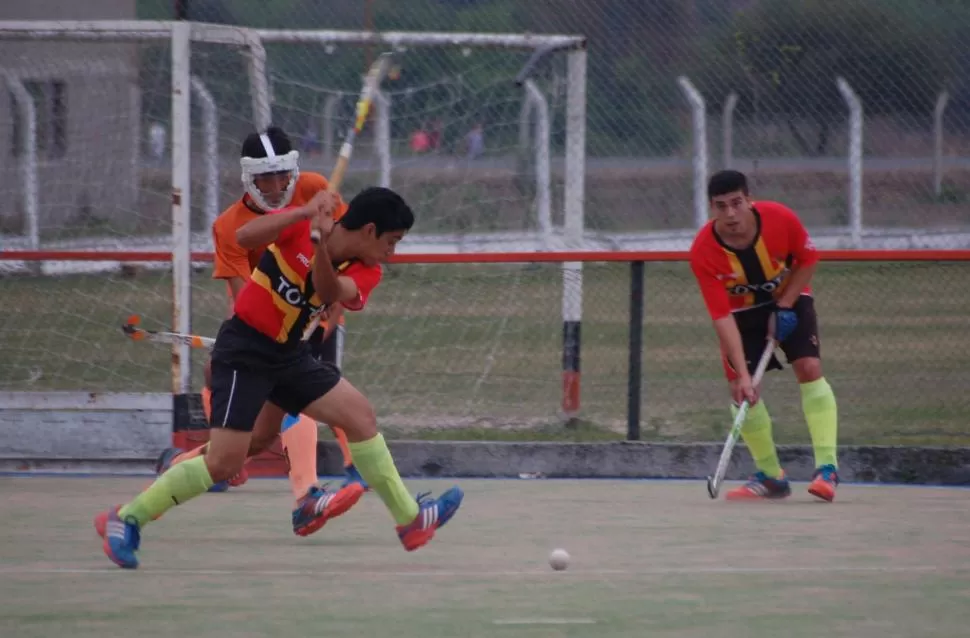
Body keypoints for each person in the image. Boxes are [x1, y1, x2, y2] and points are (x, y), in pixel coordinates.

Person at [96, 185, 464, 568]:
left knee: (359, 417)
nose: (393, 252)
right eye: (392, 241)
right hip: (244, 352)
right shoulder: (301, 225)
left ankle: (410, 520)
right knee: (225, 463)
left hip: (289, 356)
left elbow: (327, 289)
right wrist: (303, 213)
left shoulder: (366, 271)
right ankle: (125, 518)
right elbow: (242, 237)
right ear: (369, 230)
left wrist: (320, 246)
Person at [156, 126, 368, 532]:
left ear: (294, 171)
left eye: (281, 176)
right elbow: (241, 295)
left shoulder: (316, 187)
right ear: (246, 178)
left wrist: (329, 317)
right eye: (263, 178)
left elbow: (343, 258)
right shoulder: (228, 226)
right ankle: (180, 474)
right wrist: (263, 335)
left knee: (314, 397)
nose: (274, 187)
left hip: (312, 320)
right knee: (251, 436)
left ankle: (329, 485)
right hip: (262, 331)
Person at [689, 169, 840, 502]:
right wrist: (744, 377)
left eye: (736, 203)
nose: (730, 214)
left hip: (790, 297)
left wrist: (785, 305)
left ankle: (827, 469)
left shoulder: (780, 219)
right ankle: (772, 477)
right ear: (711, 207)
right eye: (721, 206)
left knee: (809, 368)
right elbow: (721, 316)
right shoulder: (703, 251)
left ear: (749, 200)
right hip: (740, 316)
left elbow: (808, 258)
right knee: (742, 393)